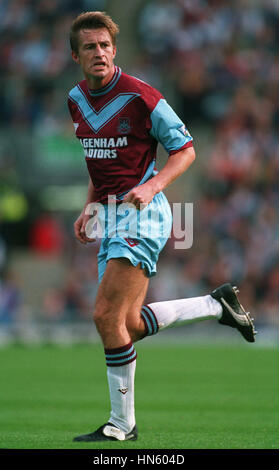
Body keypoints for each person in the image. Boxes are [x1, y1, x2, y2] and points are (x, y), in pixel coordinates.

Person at [67, 11, 256, 442]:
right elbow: (98, 165)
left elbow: (186, 149)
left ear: (114, 49)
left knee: (104, 316)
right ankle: (215, 305)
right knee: (126, 324)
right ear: (75, 54)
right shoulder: (75, 99)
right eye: (90, 47)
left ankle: (122, 426)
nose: (99, 53)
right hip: (109, 212)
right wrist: (88, 208)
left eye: (105, 45)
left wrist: (153, 185)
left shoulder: (141, 96)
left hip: (143, 211)